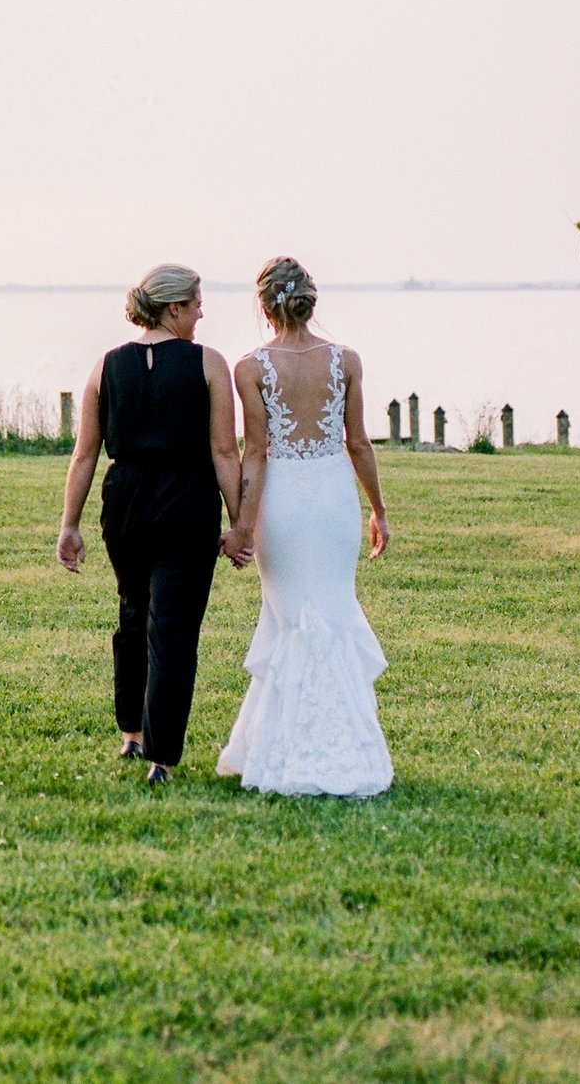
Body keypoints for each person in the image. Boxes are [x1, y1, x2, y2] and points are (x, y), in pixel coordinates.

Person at [55, 264, 244, 785]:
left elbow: (84, 452)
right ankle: (161, 758)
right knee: (174, 629)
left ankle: (131, 736)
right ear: (174, 308)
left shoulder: (105, 365)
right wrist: (239, 524)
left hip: (126, 502)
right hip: (186, 501)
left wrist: (69, 524)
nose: (202, 311)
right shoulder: (209, 364)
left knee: (133, 616)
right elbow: (225, 450)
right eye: (197, 303)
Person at [216, 256, 395, 797]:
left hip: (285, 502)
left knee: (292, 615)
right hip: (334, 496)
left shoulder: (249, 367)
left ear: (265, 305)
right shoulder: (347, 360)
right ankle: (342, 749)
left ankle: (290, 752)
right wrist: (378, 509)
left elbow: (256, 453)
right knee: (331, 611)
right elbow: (358, 442)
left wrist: (243, 526)